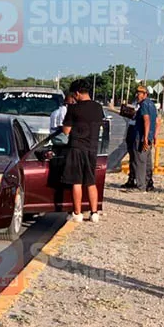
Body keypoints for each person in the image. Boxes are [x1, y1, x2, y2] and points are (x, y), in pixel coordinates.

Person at [60, 79, 104, 222]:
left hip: (76, 148)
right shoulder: (98, 108)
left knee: (76, 182)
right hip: (92, 148)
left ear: (77, 93)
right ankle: (94, 213)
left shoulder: (73, 109)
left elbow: (66, 131)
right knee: (91, 181)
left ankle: (77, 213)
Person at [131, 86, 159, 191]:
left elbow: (146, 120)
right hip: (150, 136)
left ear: (145, 94)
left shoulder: (143, 105)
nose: (137, 95)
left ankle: (140, 186)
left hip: (142, 137)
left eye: (139, 93)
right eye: (137, 93)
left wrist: (145, 138)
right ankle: (148, 184)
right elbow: (157, 121)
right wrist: (155, 136)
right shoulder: (152, 105)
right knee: (147, 161)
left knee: (140, 161)